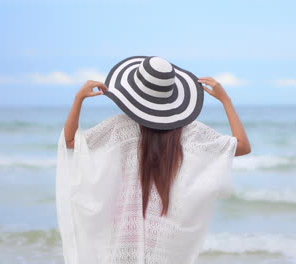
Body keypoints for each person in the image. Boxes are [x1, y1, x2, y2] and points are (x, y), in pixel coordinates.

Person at [56, 56, 251, 264]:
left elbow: (69, 142)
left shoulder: (120, 127)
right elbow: (242, 146)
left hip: (124, 228)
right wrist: (225, 100)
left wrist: (79, 99)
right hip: (166, 233)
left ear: (135, 92)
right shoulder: (189, 132)